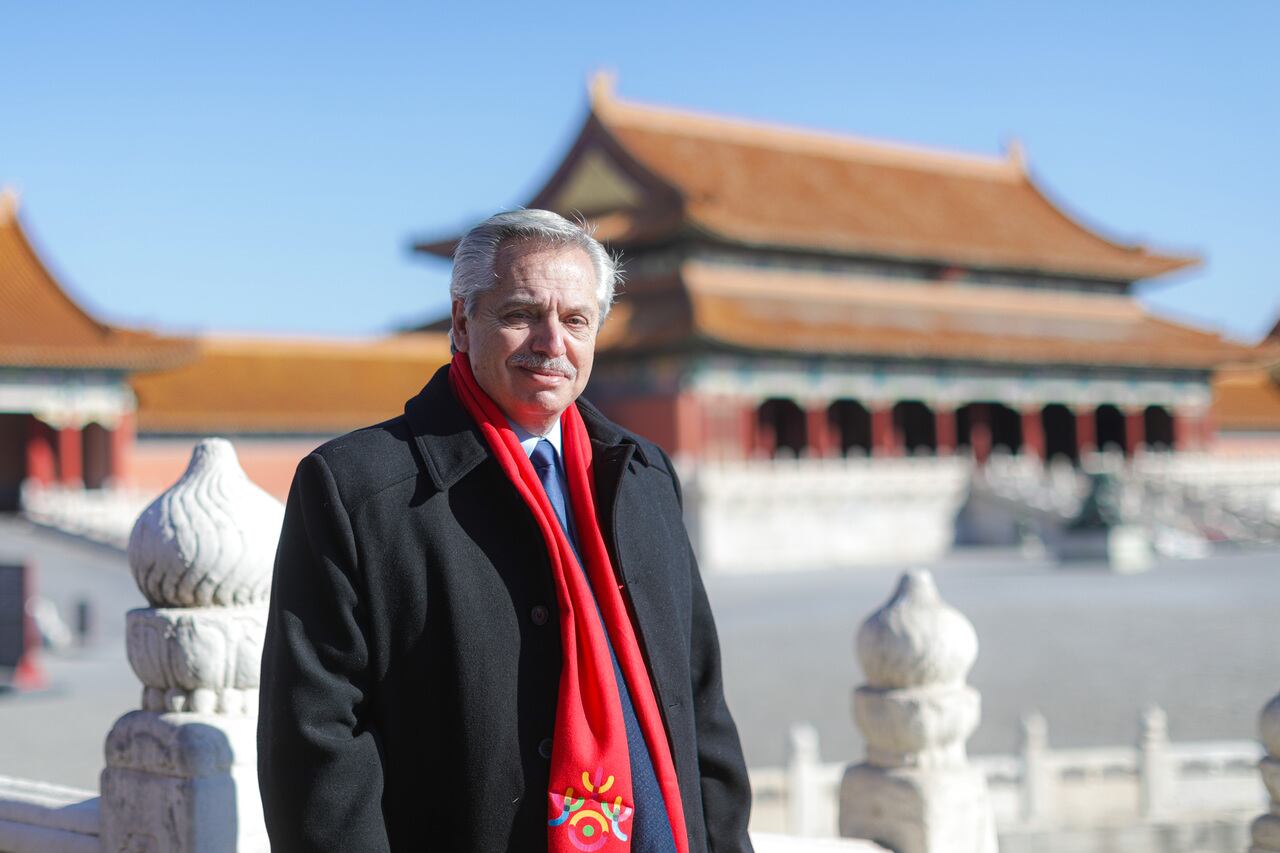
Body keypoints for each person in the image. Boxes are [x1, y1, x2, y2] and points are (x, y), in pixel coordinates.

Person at [258, 209, 753, 852]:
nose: (553, 343)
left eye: (576, 320)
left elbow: (700, 705)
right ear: (462, 323)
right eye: (522, 314)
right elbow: (315, 744)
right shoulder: (359, 490)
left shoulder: (642, 477)